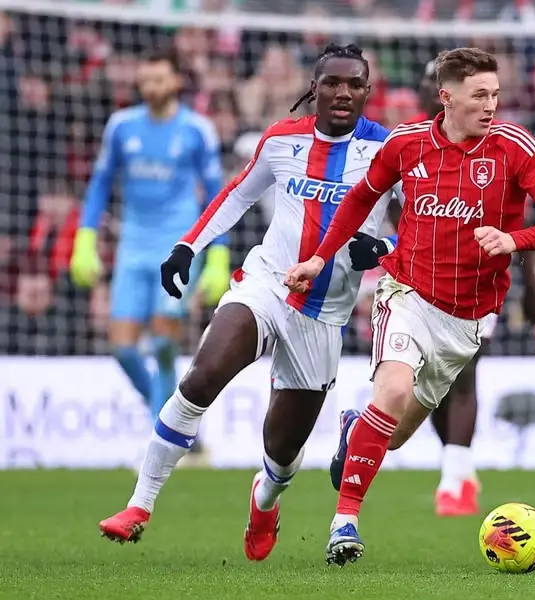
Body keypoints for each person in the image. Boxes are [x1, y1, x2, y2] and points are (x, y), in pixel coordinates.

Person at [97, 44, 400, 563]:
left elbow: (423, 226)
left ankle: (265, 499)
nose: (343, 92)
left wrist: (385, 250)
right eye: (332, 83)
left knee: (283, 454)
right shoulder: (282, 141)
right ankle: (138, 506)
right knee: (200, 377)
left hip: (324, 314)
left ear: (368, 92)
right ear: (314, 87)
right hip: (266, 283)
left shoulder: (391, 150)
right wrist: (189, 244)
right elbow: (237, 193)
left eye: (354, 84)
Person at [284, 47, 535, 565]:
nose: (491, 105)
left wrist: (516, 240)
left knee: (392, 438)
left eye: (496, 95)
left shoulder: (516, 147)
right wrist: (317, 259)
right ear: (447, 97)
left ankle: (357, 428)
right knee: (393, 389)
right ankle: (345, 522)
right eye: (479, 95)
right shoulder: (406, 143)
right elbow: (359, 200)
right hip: (406, 294)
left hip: (465, 321)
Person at [347, 59, 535, 517]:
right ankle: (454, 466)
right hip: (414, 283)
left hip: (477, 283)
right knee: (424, 384)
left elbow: (520, 221)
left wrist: (532, 289)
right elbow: (383, 214)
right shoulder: (405, 146)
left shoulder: (492, 147)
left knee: (463, 371)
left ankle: (456, 476)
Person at [69, 48, 229, 425]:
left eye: (158, 79)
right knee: (123, 348)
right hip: (133, 247)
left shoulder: (196, 130)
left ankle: (161, 435)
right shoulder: (121, 127)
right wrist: (85, 239)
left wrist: (218, 255)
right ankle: (172, 418)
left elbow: (218, 195)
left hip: (177, 247)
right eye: (144, 80)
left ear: (175, 81)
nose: (150, 86)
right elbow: (99, 185)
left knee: (162, 342)